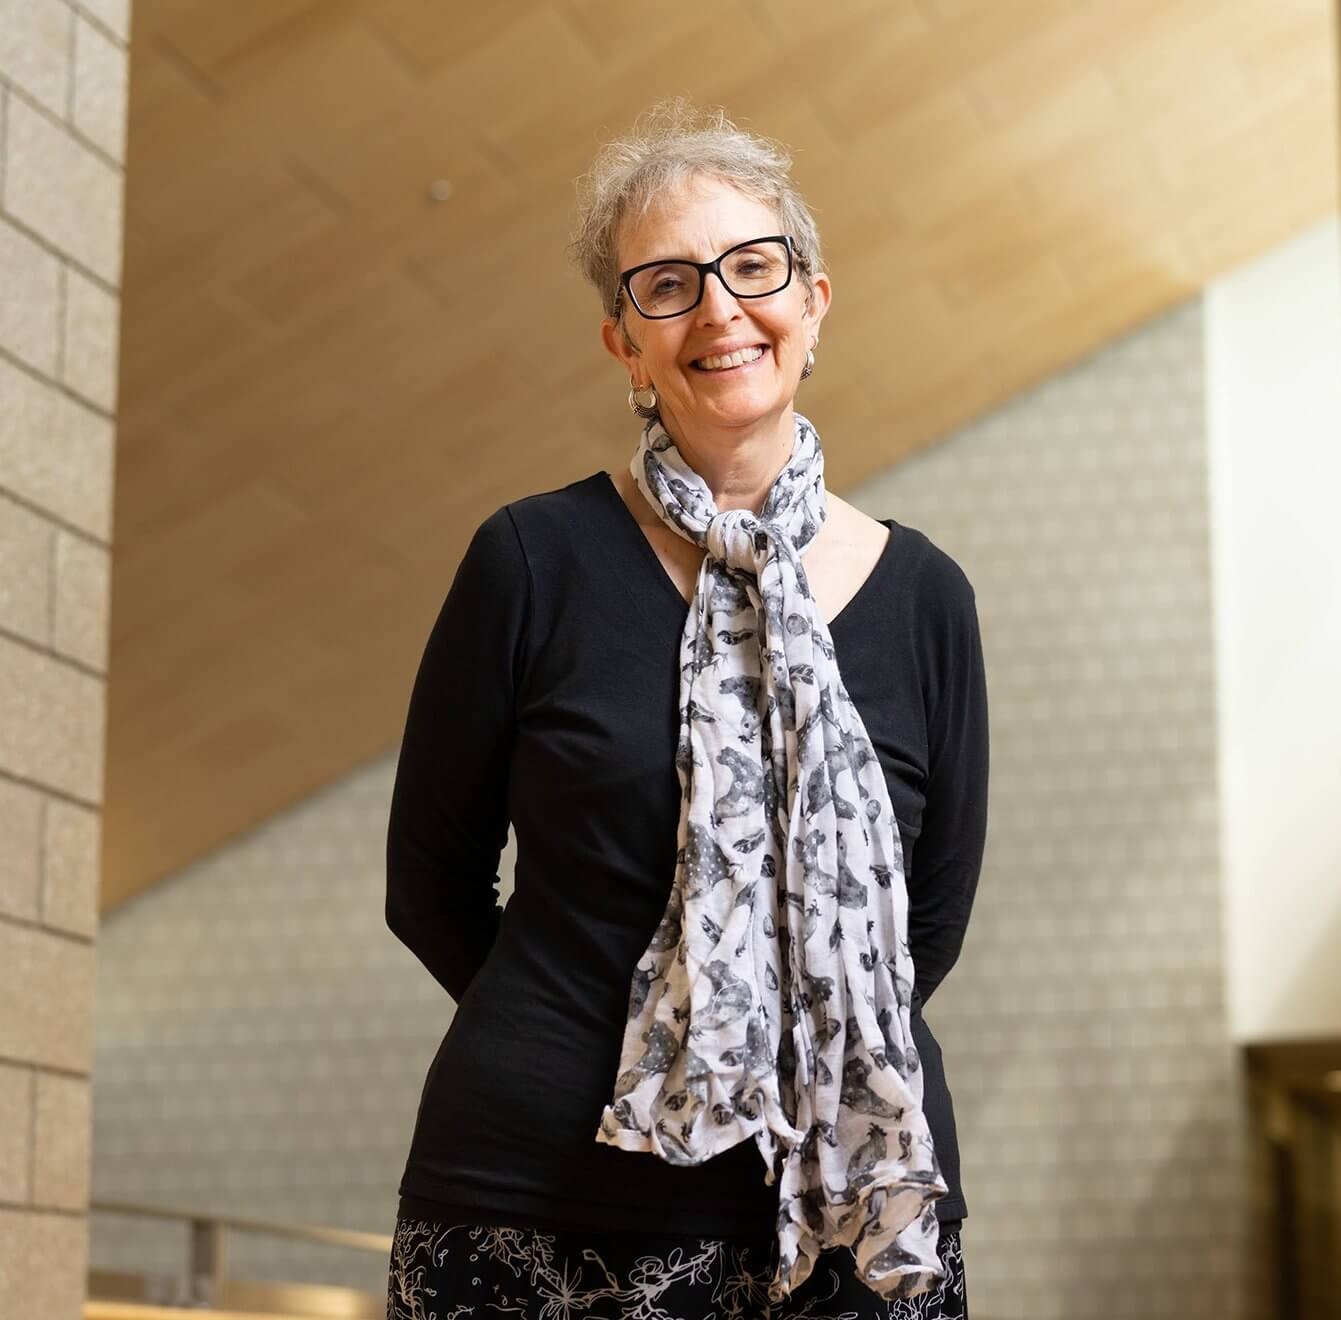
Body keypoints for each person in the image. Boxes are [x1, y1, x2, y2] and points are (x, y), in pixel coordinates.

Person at [383, 97, 989, 1320]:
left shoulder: (924, 596)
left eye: (752, 268)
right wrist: (586, 1036)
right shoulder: (530, 560)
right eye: (666, 284)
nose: (718, 309)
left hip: (854, 1214)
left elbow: (930, 920)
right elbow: (429, 881)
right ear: (623, 342)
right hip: (535, 1203)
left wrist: (783, 1045)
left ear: (813, 301)